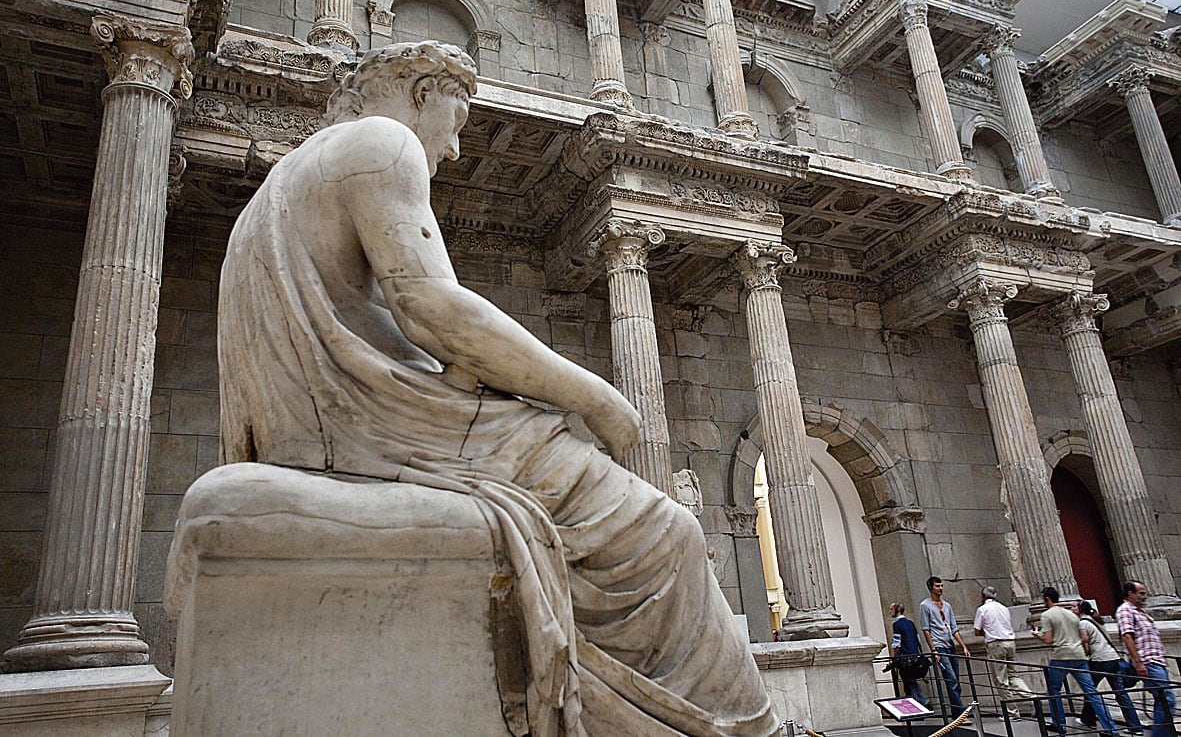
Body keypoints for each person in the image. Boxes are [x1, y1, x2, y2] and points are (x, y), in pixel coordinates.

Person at [216, 41, 778, 736]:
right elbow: (432, 309)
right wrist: (593, 396)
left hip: (324, 422)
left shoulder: (281, 185)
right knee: (664, 531)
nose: (453, 149)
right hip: (375, 422)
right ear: (423, 90)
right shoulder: (380, 142)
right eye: (455, 122)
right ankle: (728, 724)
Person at [1037, 587, 1118, 737]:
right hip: (1079, 656)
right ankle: (1111, 729)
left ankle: (1059, 724)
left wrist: (1037, 635)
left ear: (1047, 599)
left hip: (1061, 656)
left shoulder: (1047, 615)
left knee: (1053, 690)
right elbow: (1084, 638)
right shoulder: (1073, 615)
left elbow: (1048, 639)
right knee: (1092, 692)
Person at [1118, 581, 1176, 737]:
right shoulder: (1125, 610)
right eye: (1142, 593)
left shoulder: (1141, 613)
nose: (1145, 596)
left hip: (1156, 661)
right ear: (1130, 593)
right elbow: (1127, 636)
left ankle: (1164, 733)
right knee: (1167, 698)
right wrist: (1138, 662)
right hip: (1147, 661)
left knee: (1163, 698)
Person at [1077, 599, 1142, 735]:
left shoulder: (1083, 622)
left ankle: (1088, 719)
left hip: (1100, 660)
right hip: (1113, 658)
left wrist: (1084, 652)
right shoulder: (1098, 621)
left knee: (1090, 689)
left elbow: (1085, 642)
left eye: (1073, 607)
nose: (1072, 609)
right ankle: (1135, 726)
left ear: (1080, 609)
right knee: (1120, 693)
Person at [973, 585, 1033, 718]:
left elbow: (977, 630)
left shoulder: (982, 609)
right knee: (1013, 675)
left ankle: (1012, 712)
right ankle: (1031, 697)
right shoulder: (1004, 608)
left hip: (996, 644)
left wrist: (988, 632)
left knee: (1001, 680)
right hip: (1010, 642)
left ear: (983, 597)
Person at [920, 576, 971, 716]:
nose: (940, 588)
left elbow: (954, 627)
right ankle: (959, 714)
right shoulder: (925, 605)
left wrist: (963, 646)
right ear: (931, 588)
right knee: (951, 678)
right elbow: (925, 629)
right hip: (939, 646)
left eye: (941, 585)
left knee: (955, 679)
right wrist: (934, 650)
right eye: (937, 586)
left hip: (950, 644)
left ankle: (956, 710)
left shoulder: (947, 605)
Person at [891, 602, 932, 708]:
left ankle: (917, 703)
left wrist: (893, 658)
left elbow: (897, 643)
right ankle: (924, 700)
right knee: (911, 680)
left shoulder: (897, 624)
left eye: (891, 609)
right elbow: (917, 639)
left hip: (905, 658)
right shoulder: (910, 623)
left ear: (897, 610)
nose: (890, 611)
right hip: (915, 656)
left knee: (908, 681)